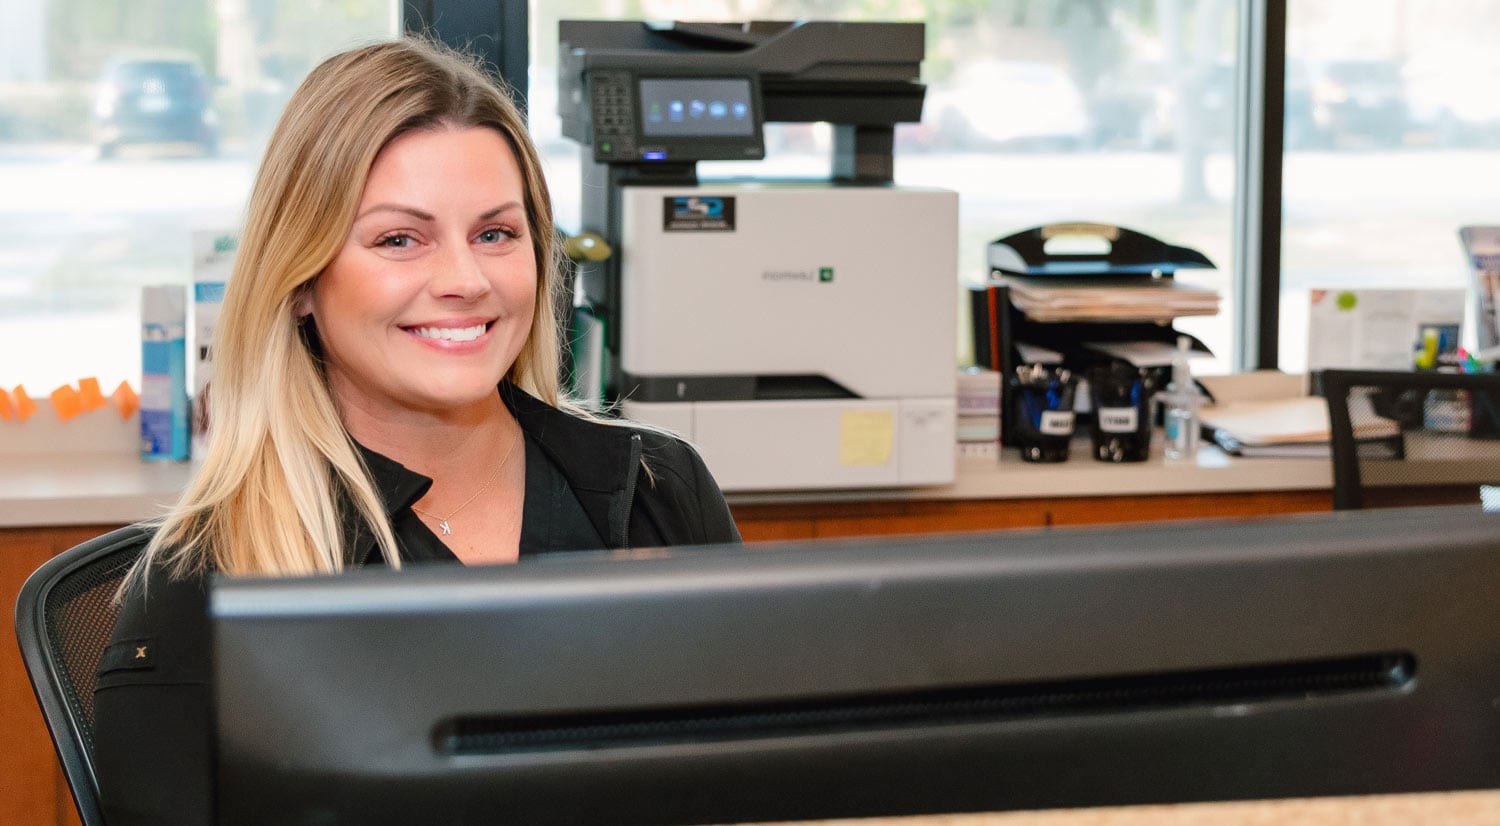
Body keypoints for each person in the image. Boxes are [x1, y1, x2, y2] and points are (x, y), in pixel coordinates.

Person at [93, 37, 740, 825]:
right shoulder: (207, 581)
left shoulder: (657, 490)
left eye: (496, 234)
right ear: (301, 280)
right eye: (400, 239)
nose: (465, 281)